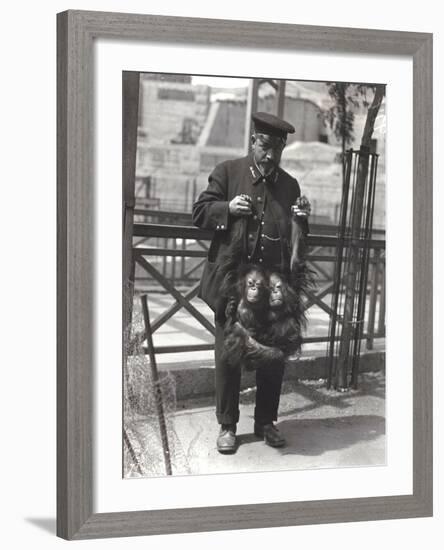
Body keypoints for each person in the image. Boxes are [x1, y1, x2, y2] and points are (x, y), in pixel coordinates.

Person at [192, 111, 311, 453]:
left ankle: (265, 423)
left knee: (273, 357)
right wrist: (227, 207)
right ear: (253, 142)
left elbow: (296, 239)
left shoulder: (290, 186)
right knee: (229, 357)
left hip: (272, 290)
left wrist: (302, 221)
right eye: (265, 147)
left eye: (277, 149)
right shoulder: (228, 172)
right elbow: (199, 212)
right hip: (232, 288)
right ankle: (227, 426)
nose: (270, 155)